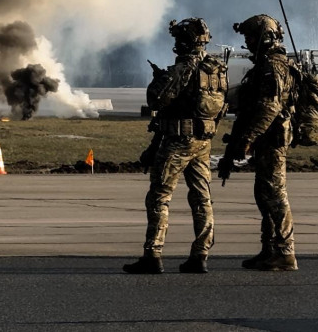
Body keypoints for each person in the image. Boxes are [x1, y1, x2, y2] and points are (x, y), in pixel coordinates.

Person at [124, 18, 227, 275]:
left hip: (179, 142)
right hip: (203, 142)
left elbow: (156, 100)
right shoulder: (215, 69)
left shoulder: (185, 68)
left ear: (183, 41)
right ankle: (200, 254)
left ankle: (153, 254)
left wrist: (159, 79)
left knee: (159, 197)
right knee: (202, 198)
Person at [219, 14, 298, 271]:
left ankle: (285, 252)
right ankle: (269, 250)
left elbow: (268, 108)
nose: (248, 42)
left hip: (272, 140)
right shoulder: (266, 64)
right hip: (265, 139)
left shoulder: (272, 67)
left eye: (251, 37)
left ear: (265, 37)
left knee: (274, 195)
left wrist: (248, 138)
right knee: (263, 194)